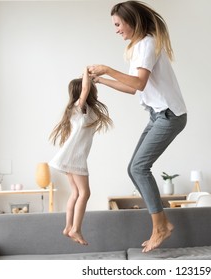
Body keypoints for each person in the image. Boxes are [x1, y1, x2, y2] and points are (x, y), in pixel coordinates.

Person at [88, 1, 187, 252]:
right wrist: (103, 79)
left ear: (131, 21)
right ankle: (160, 222)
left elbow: (139, 83)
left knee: (140, 167)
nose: (117, 30)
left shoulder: (149, 43)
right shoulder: (139, 47)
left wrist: (108, 69)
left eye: (118, 24)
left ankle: (161, 226)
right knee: (134, 169)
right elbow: (133, 87)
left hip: (169, 115)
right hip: (157, 115)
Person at [49, 67, 112, 245]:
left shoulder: (84, 110)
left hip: (70, 156)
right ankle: (76, 229)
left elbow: (85, 89)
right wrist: (86, 70)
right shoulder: (78, 107)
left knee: (76, 192)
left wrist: (89, 79)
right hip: (75, 157)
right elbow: (85, 89)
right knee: (85, 192)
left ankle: (68, 227)